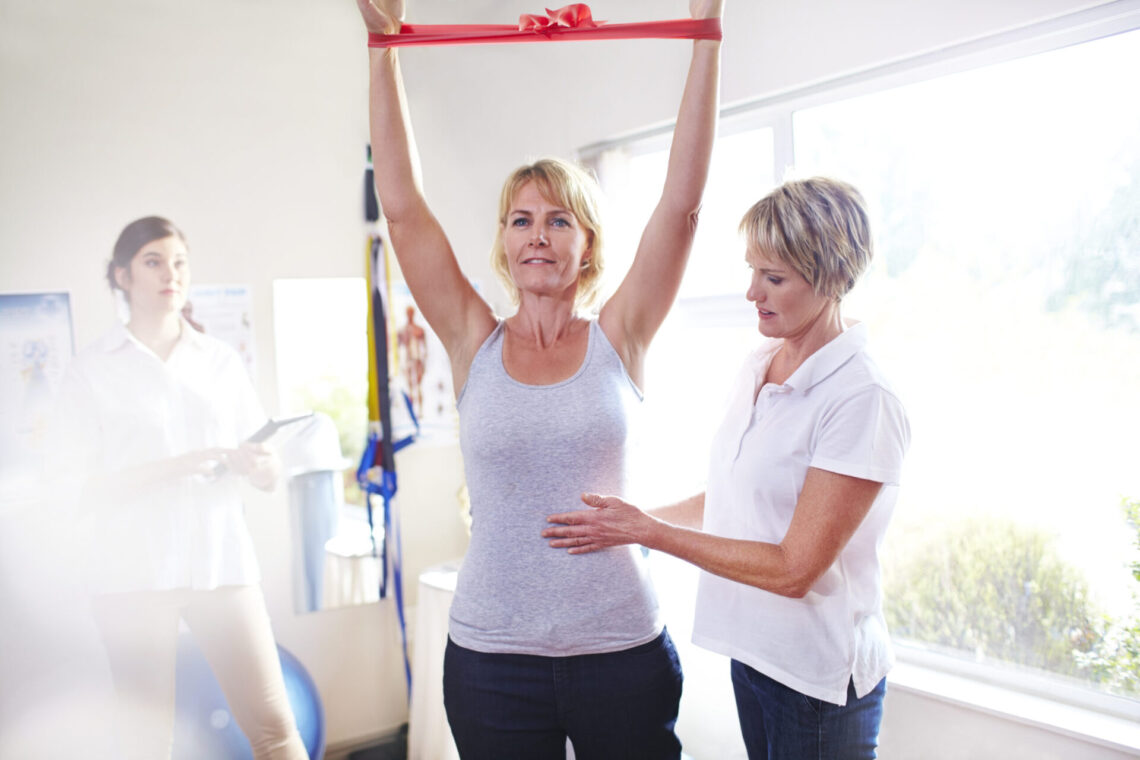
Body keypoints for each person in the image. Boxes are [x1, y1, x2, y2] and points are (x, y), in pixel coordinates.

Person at [353, 0, 723, 756]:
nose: (538, 235)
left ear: (586, 244)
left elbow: (680, 208)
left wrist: (706, 33)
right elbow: (404, 211)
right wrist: (383, 48)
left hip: (620, 651)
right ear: (503, 242)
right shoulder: (470, 341)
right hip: (493, 662)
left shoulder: (623, 334)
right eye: (519, 219)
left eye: (559, 219)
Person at [544, 177, 911, 760]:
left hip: (816, 680)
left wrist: (652, 534)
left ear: (831, 277)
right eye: (752, 271)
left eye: (774, 278)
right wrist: (626, 527)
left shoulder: (861, 398)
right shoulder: (762, 361)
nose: (751, 293)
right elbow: (733, 498)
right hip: (756, 658)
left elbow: (795, 569)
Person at [52, 216, 308, 760]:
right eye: (153, 262)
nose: (171, 274)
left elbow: (268, 477)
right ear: (122, 276)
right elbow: (79, 488)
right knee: (146, 744)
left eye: (179, 262)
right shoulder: (90, 370)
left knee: (275, 728)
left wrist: (257, 463)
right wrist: (177, 466)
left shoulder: (219, 361)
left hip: (222, 566)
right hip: (132, 578)